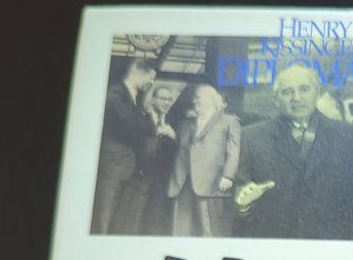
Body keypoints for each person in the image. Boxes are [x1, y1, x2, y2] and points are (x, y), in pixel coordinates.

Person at [233, 61, 353, 240]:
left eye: (304, 89)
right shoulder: (251, 137)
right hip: (276, 246)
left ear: (317, 92)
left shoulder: (349, 136)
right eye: (287, 92)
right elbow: (239, 201)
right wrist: (242, 206)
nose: (296, 98)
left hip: (331, 247)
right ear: (275, 99)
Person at [92, 59, 157, 233]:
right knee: (104, 220)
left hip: (126, 167)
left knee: (117, 220)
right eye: (151, 77)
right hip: (114, 166)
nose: (152, 83)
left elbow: (144, 128)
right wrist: (149, 116)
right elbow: (135, 126)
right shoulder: (116, 94)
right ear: (138, 72)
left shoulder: (133, 97)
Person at [168, 84, 241, 237]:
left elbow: (234, 152)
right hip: (183, 181)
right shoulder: (186, 123)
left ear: (211, 100)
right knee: (180, 226)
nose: (194, 101)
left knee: (210, 228)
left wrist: (228, 176)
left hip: (211, 182)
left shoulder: (229, 121)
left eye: (198, 98)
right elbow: (181, 148)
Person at [125, 83, 178, 235]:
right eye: (162, 99)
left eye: (169, 100)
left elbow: (180, 152)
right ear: (153, 99)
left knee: (155, 220)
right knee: (135, 218)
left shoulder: (175, 122)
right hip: (140, 177)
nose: (166, 103)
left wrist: (173, 136)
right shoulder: (140, 119)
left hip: (162, 181)